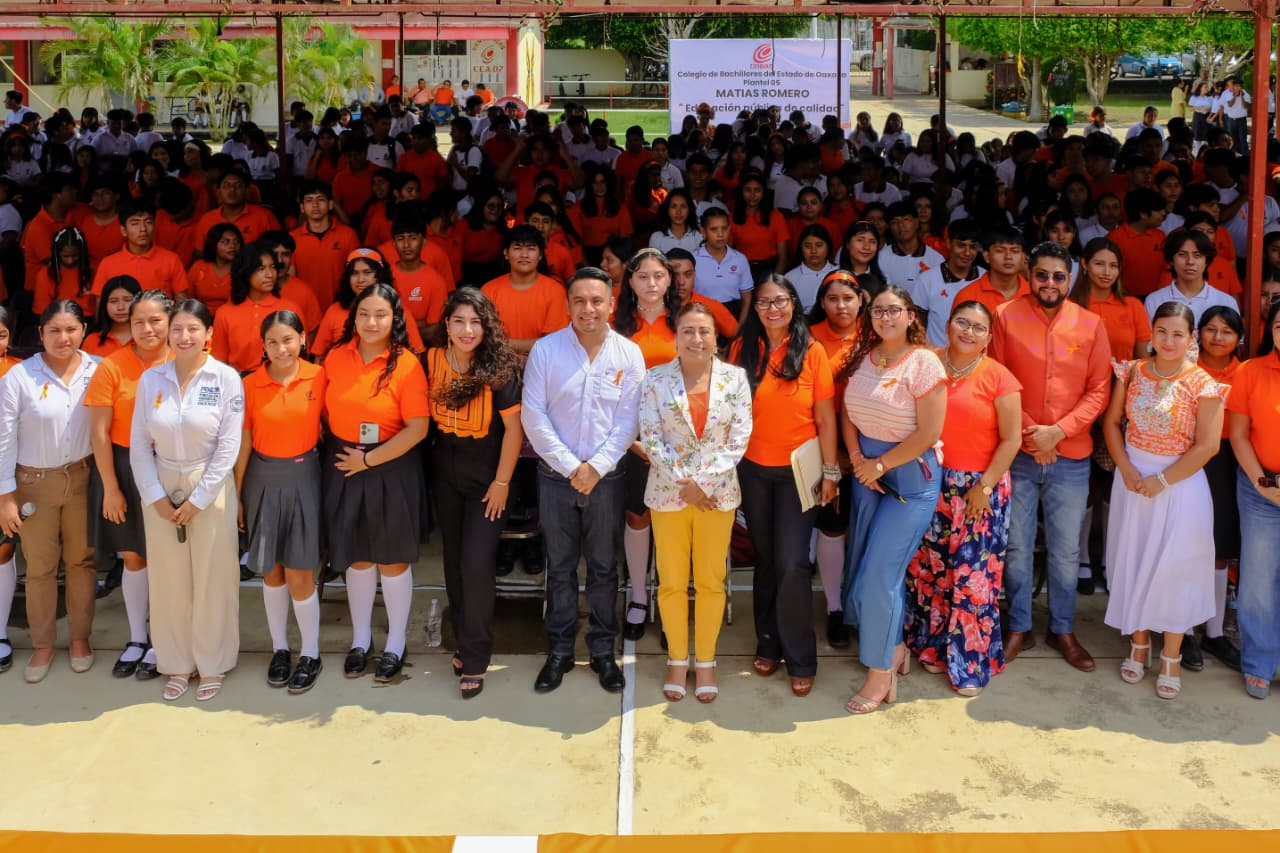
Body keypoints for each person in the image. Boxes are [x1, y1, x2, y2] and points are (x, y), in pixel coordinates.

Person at [990, 242, 1112, 671]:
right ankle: (1019, 626)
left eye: (1058, 276)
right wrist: (1032, 435)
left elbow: (1100, 389)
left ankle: (1062, 628)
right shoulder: (1005, 316)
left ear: (1071, 276)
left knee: (1064, 551)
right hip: (1019, 454)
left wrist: (1058, 432)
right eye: (1042, 274)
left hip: (1071, 454)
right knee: (1017, 547)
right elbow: (997, 379)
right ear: (1029, 271)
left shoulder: (1091, 324)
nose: (1049, 283)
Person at [522, 268, 645, 694]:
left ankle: (602, 651)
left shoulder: (629, 354)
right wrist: (571, 465)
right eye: (580, 301)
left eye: (597, 301)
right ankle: (558, 651)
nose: (588, 309)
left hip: (607, 478)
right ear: (568, 304)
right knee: (558, 567)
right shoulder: (546, 350)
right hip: (555, 477)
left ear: (612, 304)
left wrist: (597, 467)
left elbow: (629, 419)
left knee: (604, 568)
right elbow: (533, 416)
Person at [1102, 302, 1225, 700]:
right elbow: (1111, 422)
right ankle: (1139, 642)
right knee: (1133, 558)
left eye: (1178, 334)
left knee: (1176, 568)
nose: (1168, 341)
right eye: (1161, 332)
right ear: (1151, 334)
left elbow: (1207, 446)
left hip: (1180, 485)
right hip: (1133, 481)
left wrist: (1162, 479)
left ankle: (1171, 654)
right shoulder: (1133, 370)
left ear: (1191, 340)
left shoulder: (1205, 384)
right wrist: (1127, 470)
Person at [902, 301, 1020, 696]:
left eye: (979, 327)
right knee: (933, 573)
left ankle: (969, 664)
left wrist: (983, 487)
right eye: (962, 323)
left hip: (979, 490)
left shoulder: (999, 377)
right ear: (948, 324)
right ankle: (935, 650)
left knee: (973, 579)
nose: (969, 332)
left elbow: (1012, 439)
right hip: (931, 480)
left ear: (989, 338)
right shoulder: (927, 362)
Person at [838, 285, 946, 713]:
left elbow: (929, 433)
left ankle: (879, 674)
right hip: (869, 475)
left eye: (894, 310)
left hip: (909, 483)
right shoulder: (864, 356)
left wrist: (878, 466)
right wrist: (857, 459)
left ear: (910, 316)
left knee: (879, 576)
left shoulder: (924, 362)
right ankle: (895, 647)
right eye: (879, 310)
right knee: (862, 570)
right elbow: (848, 411)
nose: (886, 317)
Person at [130, 298, 244, 702]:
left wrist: (198, 499)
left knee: (213, 577)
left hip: (209, 483)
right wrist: (155, 497)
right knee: (169, 581)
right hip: (161, 482)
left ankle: (212, 662)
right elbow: (140, 445)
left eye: (193, 328)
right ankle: (177, 662)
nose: (184, 336)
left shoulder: (225, 379)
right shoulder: (151, 380)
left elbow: (229, 447)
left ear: (209, 334)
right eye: (176, 329)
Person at [730, 274, 838, 697]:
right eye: (763, 303)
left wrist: (830, 473)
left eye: (780, 301)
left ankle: (801, 656)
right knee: (766, 558)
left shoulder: (812, 352)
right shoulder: (742, 349)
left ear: (794, 304)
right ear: (754, 308)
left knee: (793, 562)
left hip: (798, 472)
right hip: (753, 470)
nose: (772, 309)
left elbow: (826, 418)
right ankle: (768, 641)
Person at [640, 302, 752, 703]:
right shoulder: (655, 379)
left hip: (716, 496)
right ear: (676, 336)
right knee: (671, 582)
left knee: (709, 581)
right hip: (669, 494)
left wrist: (703, 483)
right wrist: (684, 482)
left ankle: (705, 661)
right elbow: (650, 437)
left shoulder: (735, 380)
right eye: (688, 330)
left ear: (715, 338)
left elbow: (738, 438)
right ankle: (676, 659)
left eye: (703, 331)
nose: (696, 338)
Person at [322, 283, 429, 684]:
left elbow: (417, 428)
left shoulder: (407, 364)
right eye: (364, 314)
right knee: (357, 556)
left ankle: (396, 642)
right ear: (354, 317)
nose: (371, 322)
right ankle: (361, 639)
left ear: (395, 319)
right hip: (344, 464)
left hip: (390, 464)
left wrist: (369, 459)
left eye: (381, 315)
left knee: (392, 557)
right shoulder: (335, 357)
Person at [427, 289, 523, 699]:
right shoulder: (428, 362)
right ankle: (465, 642)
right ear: (446, 325)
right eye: (459, 321)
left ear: (487, 328)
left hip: (488, 475)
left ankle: (477, 655)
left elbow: (515, 432)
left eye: (476, 322)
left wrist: (501, 484)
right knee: (453, 559)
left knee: (476, 562)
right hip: (444, 469)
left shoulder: (499, 370)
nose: (468, 330)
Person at [0, 301, 98, 683]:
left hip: (83, 478)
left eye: (71, 329)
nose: (63, 338)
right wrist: (6, 496)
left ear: (84, 330)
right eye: (54, 330)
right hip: (32, 484)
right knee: (40, 568)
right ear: (40, 334)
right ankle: (42, 644)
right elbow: (4, 439)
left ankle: (79, 639)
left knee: (81, 563)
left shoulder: (98, 369)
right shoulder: (20, 377)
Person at [233, 310, 327, 695]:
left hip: (305, 476)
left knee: (300, 571)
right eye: (272, 342)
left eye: (288, 339)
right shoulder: (250, 384)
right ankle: (280, 649)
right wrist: (239, 496)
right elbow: (244, 442)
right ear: (263, 346)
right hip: (262, 479)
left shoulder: (319, 377)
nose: (280, 348)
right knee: (270, 570)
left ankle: (311, 652)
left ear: (303, 339)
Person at [85, 288, 174, 680]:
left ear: (170, 321)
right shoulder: (112, 366)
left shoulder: (184, 360)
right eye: (138, 321)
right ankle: (138, 638)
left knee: (169, 559)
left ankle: (167, 640)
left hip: (172, 467)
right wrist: (111, 487)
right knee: (134, 557)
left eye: (155, 320)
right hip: (123, 468)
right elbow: (100, 434)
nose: (147, 328)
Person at [613, 248, 680, 641]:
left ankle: (668, 598)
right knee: (638, 515)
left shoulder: (685, 321)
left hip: (678, 436)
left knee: (672, 518)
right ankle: (638, 596)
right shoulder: (616, 324)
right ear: (631, 281)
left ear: (669, 280)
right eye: (642, 276)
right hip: (631, 437)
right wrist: (632, 438)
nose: (651, 283)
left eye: (658, 276)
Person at [805, 270, 865, 648]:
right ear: (822, 302)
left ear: (862, 300)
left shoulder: (875, 336)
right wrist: (835, 454)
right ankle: (834, 607)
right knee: (832, 524)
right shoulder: (809, 338)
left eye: (848, 298)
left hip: (873, 447)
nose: (841, 306)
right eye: (833, 298)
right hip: (824, 444)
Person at [1226, 299, 1280, 699]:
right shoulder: (1250, 371)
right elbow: (1239, 435)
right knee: (1258, 582)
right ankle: (1259, 662)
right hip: (1261, 487)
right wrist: (1264, 483)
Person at [1196, 306, 1244, 670]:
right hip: (1190, 458)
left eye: (1226, 331)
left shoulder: (1246, 373)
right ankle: (1180, 632)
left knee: (1220, 548)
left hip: (1230, 461)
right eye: (1209, 329)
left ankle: (1213, 633)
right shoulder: (1185, 369)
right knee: (1184, 544)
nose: (1217, 337)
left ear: (1238, 338)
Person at [314, 248, 425, 359]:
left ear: (380, 276)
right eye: (354, 273)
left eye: (367, 272)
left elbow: (416, 355)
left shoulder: (398, 310)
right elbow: (319, 356)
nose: (360, 279)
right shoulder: (334, 311)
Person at [212, 242, 302, 374]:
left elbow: (301, 357)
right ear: (245, 271)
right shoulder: (225, 312)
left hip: (280, 384)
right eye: (261, 268)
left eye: (272, 267)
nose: (270, 274)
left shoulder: (290, 309)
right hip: (239, 385)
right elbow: (219, 362)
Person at [1144, 229, 1236, 327]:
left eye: (1197, 255)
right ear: (1171, 260)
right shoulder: (1155, 300)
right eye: (1182, 254)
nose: (1190, 261)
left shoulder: (1225, 301)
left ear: (1207, 261)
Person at [185, 224, 241, 315]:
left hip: (234, 319)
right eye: (226, 242)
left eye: (236, 241)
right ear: (213, 244)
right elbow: (188, 299)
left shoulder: (243, 268)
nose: (233, 246)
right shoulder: (199, 267)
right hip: (202, 318)